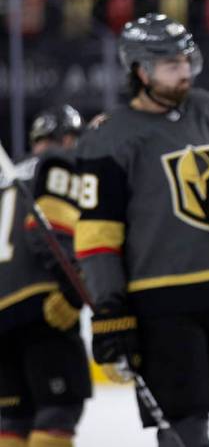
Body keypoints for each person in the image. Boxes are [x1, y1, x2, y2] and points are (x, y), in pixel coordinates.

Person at [73, 14, 209, 447]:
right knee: (184, 433)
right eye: (171, 65)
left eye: (186, 60)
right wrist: (110, 314)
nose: (185, 71)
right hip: (161, 306)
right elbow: (97, 240)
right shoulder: (109, 138)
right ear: (140, 71)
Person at [0, 105, 90, 447]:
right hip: (41, 306)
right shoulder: (59, 164)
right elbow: (48, 232)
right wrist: (72, 291)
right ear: (68, 139)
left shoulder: (5, 176)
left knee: (12, 420)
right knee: (58, 411)